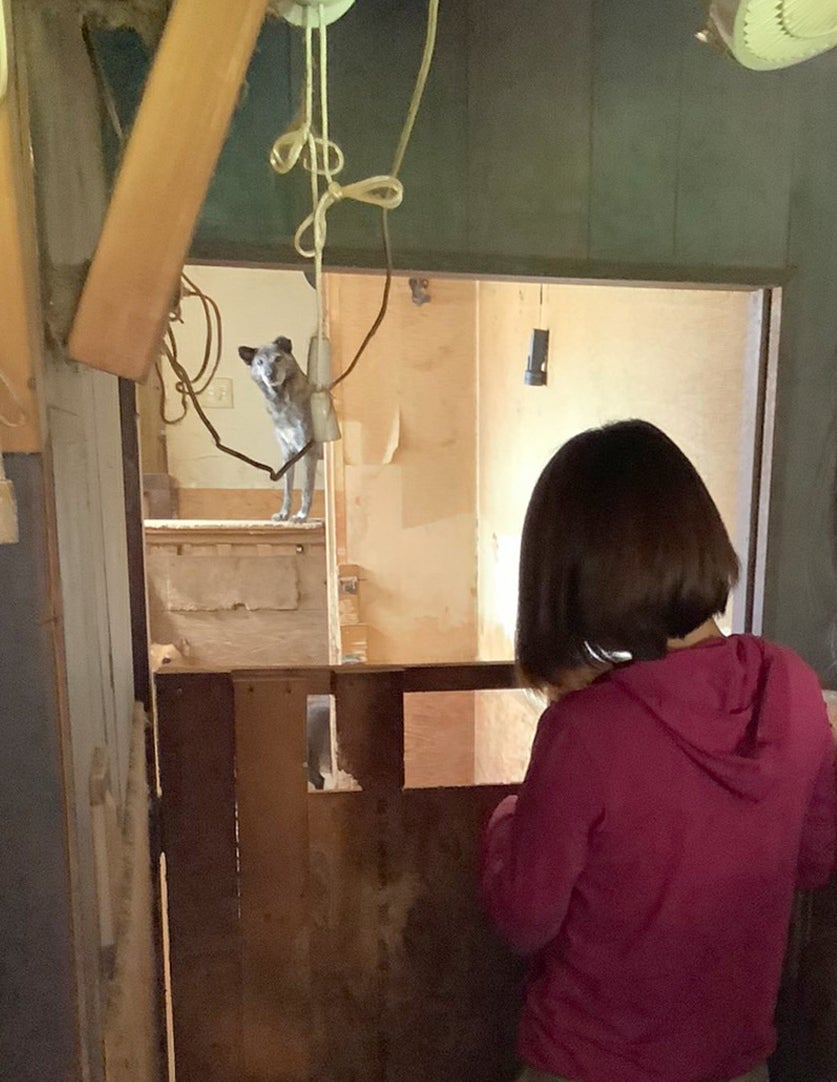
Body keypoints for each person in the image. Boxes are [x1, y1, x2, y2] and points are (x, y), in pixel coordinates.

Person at [481, 419, 836, 1082]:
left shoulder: (584, 730)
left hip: (588, 1066)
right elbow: (814, 860)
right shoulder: (793, 684)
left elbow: (524, 919)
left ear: (573, 577)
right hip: (737, 1065)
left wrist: (505, 822)